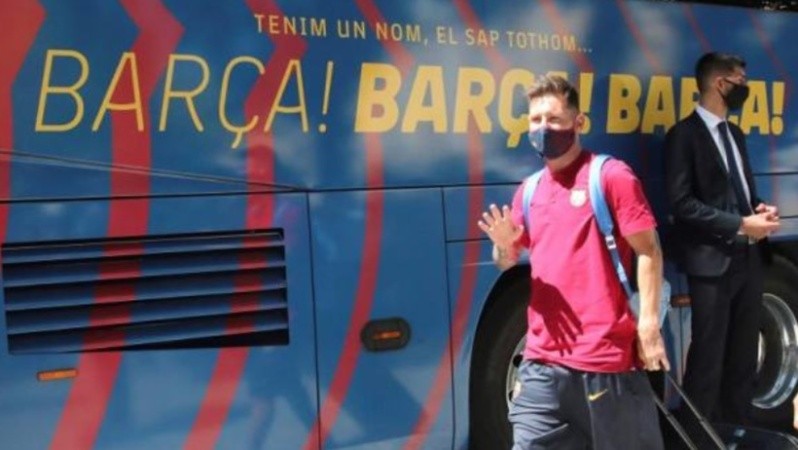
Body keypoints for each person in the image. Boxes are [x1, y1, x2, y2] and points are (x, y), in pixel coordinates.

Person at [478, 74, 669, 449]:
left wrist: (648, 326)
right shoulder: (529, 191)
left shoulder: (611, 177)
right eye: (535, 120)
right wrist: (503, 246)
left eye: (553, 119)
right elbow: (506, 261)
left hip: (604, 363)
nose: (543, 129)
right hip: (541, 366)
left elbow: (649, 250)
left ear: (578, 122)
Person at [664, 52, 779, 434]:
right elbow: (682, 203)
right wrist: (741, 224)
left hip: (749, 259)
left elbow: (739, 193)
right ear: (720, 83)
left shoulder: (735, 135)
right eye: (740, 81)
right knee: (707, 357)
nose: (745, 88)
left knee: (743, 355)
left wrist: (759, 209)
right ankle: (698, 436)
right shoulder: (683, 136)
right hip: (710, 263)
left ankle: (739, 431)